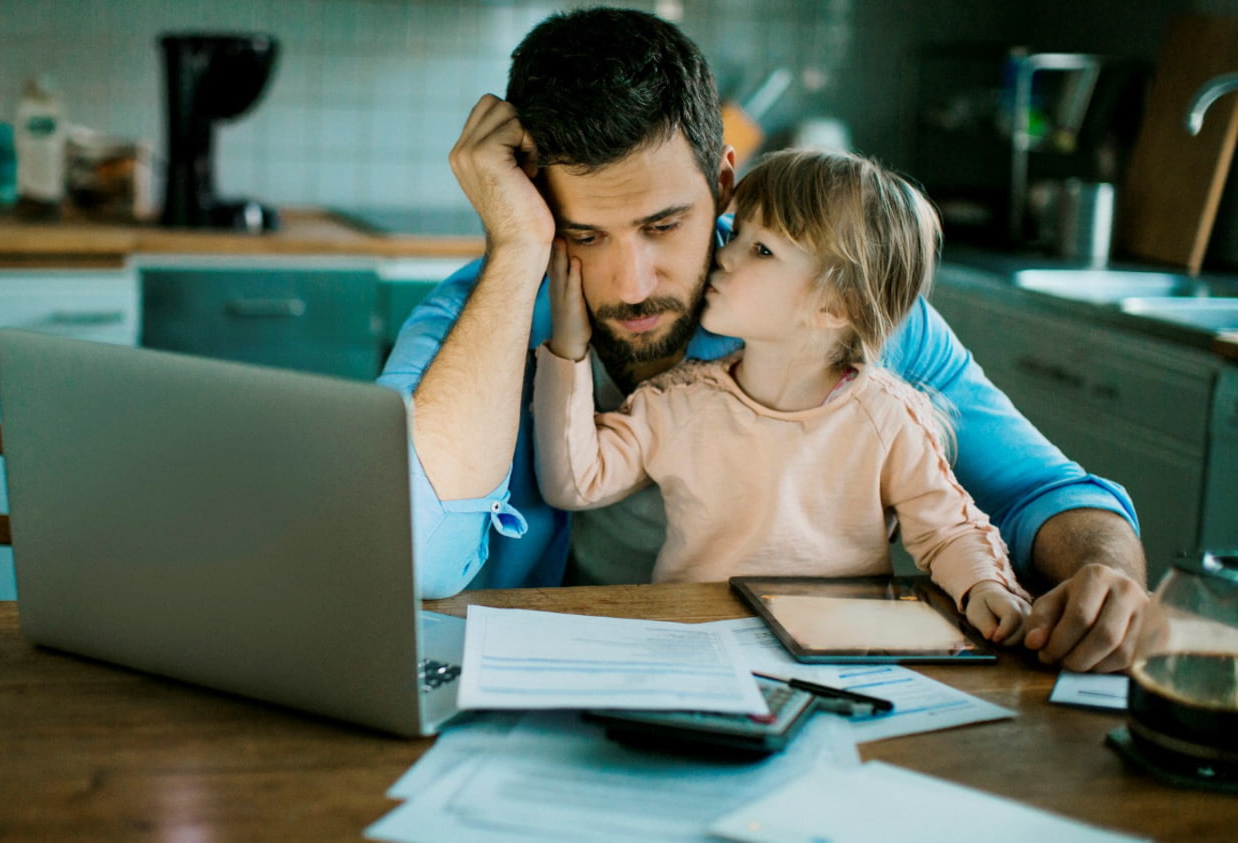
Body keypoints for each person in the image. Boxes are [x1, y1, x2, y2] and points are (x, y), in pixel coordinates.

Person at [377, 6, 1148, 672]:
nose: (632, 281)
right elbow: (403, 555)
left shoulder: (835, 310)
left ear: (721, 184)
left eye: (663, 225)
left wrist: (1104, 574)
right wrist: (516, 254)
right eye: (583, 233)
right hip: (550, 694)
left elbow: (1044, 490)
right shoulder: (475, 319)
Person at [533, 148, 1033, 644]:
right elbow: (576, 483)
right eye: (740, 232)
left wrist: (986, 586)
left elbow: (947, 532)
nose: (724, 254)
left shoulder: (888, 418)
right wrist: (568, 348)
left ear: (837, 306)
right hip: (700, 645)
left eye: (762, 249)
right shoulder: (677, 403)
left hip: (840, 655)